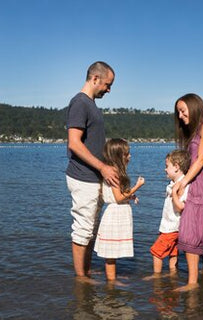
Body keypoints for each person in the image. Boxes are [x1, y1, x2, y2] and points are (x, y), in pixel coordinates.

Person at [66, 61, 119, 282]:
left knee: (90, 231)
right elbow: (74, 143)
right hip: (83, 177)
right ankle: (81, 279)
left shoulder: (91, 105)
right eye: (107, 84)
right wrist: (102, 167)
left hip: (93, 176)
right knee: (83, 230)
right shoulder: (80, 103)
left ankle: (85, 272)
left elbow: (93, 144)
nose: (109, 89)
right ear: (95, 78)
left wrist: (109, 162)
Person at [172, 93, 203, 292]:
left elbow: (200, 160)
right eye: (178, 113)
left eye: (183, 111)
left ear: (194, 106)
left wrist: (182, 182)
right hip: (196, 180)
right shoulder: (197, 130)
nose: (181, 116)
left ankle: (192, 283)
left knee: (191, 229)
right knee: (202, 230)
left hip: (201, 183)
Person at [94, 138, 145, 283]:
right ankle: (111, 281)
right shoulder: (114, 172)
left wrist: (131, 196)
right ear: (118, 156)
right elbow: (118, 197)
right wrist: (137, 186)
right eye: (126, 154)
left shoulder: (114, 171)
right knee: (110, 252)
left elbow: (120, 195)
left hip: (117, 212)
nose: (130, 156)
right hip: (115, 214)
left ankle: (112, 276)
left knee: (113, 250)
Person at [144, 149, 191, 279]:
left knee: (156, 252)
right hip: (171, 226)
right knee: (173, 253)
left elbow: (181, 207)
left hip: (172, 227)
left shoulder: (182, 185)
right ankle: (172, 275)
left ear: (176, 167)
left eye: (167, 166)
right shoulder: (173, 184)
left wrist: (174, 192)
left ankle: (156, 276)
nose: (165, 169)